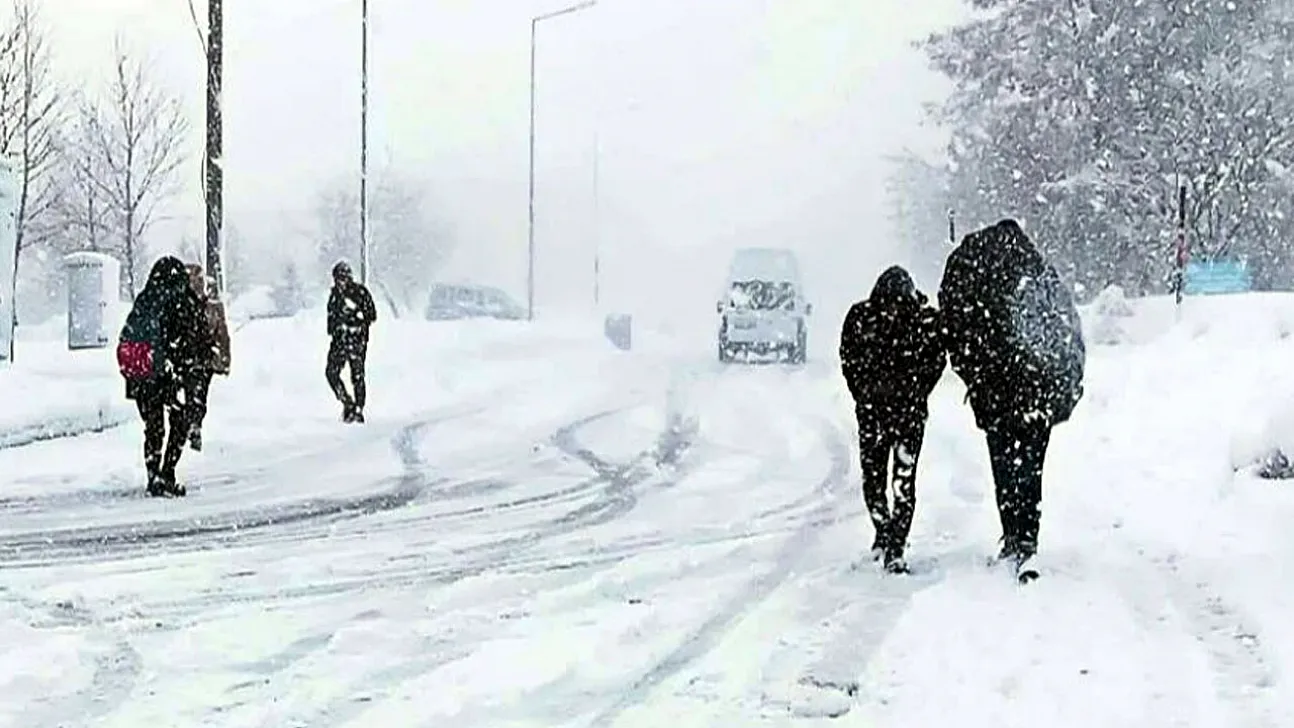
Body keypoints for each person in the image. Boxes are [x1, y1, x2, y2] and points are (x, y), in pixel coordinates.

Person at [938, 219, 1085, 578]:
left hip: (997, 396)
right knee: (1032, 467)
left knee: (1004, 466)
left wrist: (975, 376)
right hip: (1040, 394)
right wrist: (1063, 388)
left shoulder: (976, 280)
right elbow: (1068, 334)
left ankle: (1012, 535)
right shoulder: (1038, 275)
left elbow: (956, 333)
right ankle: (1028, 539)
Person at [840, 265, 946, 574]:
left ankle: (886, 534)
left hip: (875, 413)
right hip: (906, 415)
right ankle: (895, 543)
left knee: (875, 479)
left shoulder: (861, 318)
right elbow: (937, 360)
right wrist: (917, 391)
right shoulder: (924, 321)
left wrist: (863, 393)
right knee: (903, 481)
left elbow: (848, 359)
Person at [116, 256, 213, 497]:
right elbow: (194, 339)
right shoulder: (182, 300)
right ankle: (167, 472)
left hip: (142, 374)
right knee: (179, 421)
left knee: (153, 426)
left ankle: (153, 475)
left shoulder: (145, 299)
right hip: (171, 374)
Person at [183, 263, 232, 451]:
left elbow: (222, 332)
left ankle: (193, 423)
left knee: (196, 392)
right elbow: (222, 333)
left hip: (199, 357)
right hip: (195, 356)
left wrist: (224, 358)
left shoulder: (210, 305)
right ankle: (193, 423)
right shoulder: (189, 304)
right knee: (197, 392)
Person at [326, 260, 377, 423]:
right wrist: (336, 327)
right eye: (337, 278)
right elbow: (331, 320)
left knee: (357, 375)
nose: (339, 282)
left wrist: (355, 317)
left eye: (342, 278)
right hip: (339, 341)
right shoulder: (334, 296)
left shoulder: (359, 292)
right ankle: (347, 403)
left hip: (356, 340)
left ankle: (358, 409)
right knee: (331, 373)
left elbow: (371, 315)